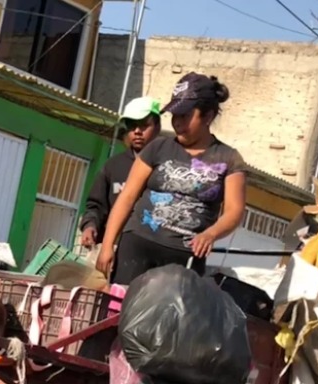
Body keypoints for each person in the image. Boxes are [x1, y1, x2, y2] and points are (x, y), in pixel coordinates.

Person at [95, 73, 247, 285]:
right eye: (174, 116)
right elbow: (127, 197)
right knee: (122, 313)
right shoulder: (157, 148)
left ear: (208, 116)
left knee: (170, 316)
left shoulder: (229, 159)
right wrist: (107, 245)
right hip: (137, 247)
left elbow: (234, 211)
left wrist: (210, 234)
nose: (177, 123)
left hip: (185, 257)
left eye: (185, 116)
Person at [78, 96, 162, 254]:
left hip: (150, 252)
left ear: (157, 127)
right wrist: (90, 225)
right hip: (112, 251)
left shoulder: (165, 168)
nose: (137, 131)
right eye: (132, 126)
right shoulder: (113, 166)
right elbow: (96, 205)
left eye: (144, 125)